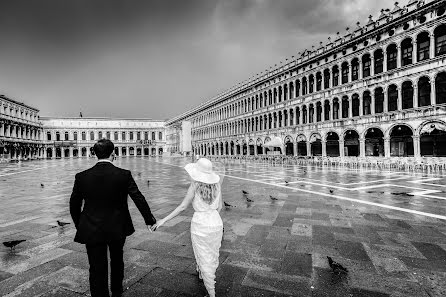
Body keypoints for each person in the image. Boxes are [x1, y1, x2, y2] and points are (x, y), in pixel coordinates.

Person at [70, 139, 156, 297]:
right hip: (118, 227)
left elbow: (74, 205)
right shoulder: (123, 175)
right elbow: (138, 198)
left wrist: (80, 225)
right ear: (113, 154)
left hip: (91, 228)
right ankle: (117, 292)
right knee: (117, 261)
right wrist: (149, 220)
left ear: (94, 154)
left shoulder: (82, 177)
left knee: (96, 266)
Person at [151, 158, 223, 297]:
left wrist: (163, 220)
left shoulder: (195, 186)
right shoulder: (217, 184)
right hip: (216, 221)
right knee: (211, 252)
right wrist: (212, 218)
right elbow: (219, 206)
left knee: (201, 251)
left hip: (200, 222)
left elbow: (183, 206)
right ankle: (202, 270)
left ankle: (211, 292)